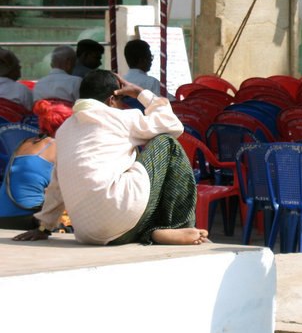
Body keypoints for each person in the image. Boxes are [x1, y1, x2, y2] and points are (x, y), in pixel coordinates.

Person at [13, 69, 208, 246]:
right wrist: (141, 93)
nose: (122, 105)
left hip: (87, 233)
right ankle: (180, 225)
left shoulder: (64, 131)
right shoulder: (121, 118)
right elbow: (173, 126)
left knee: (130, 160)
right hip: (123, 218)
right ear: (112, 99)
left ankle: (152, 232)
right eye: (122, 100)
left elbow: (57, 183)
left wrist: (44, 227)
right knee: (167, 143)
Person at [0, 100, 73, 230]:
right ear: (65, 126)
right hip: (28, 219)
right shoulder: (57, 147)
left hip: (3, 216)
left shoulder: (23, 143)